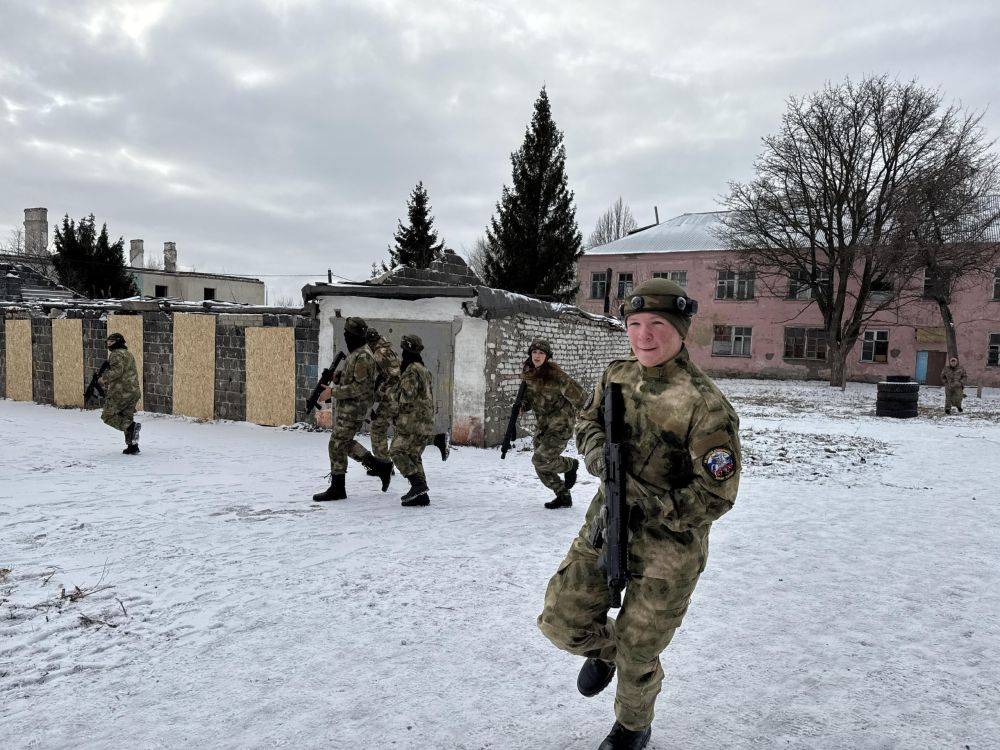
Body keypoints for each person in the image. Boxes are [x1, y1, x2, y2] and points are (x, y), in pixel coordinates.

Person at [537, 278, 741, 750]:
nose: (644, 336)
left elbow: (717, 495)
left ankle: (632, 727)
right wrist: (596, 458)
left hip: (670, 549)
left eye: (657, 325)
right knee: (560, 621)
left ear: (681, 330)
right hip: (606, 525)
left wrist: (645, 499)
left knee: (641, 647)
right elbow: (587, 421)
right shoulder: (616, 377)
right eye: (634, 325)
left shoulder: (706, 406)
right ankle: (611, 653)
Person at [312, 317, 394, 502]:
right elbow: (355, 378)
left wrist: (332, 392)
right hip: (350, 408)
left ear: (354, 336)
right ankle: (380, 467)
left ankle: (338, 489)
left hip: (354, 409)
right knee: (343, 443)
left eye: (348, 335)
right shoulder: (357, 353)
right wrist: (338, 376)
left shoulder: (363, 356)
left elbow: (360, 388)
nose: (346, 337)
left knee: (336, 444)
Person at [519, 339, 586, 509]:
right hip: (543, 426)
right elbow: (529, 399)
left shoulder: (557, 376)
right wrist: (521, 407)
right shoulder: (529, 375)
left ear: (547, 357)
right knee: (540, 465)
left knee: (540, 459)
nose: (537, 356)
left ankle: (571, 465)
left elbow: (580, 397)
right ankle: (563, 495)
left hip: (561, 425)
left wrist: (588, 416)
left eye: (541, 353)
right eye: (534, 352)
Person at [389, 334, 437, 507]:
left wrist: (390, 392)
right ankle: (421, 496)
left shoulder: (410, 370)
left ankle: (418, 484)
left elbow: (407, 396)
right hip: (425, 421)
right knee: (413, 455)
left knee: (396, 451)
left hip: (412, 421)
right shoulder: (423, 369)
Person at [100, 332, 142, 455]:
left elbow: (117, 371)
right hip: (133, 391)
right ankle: (132, 446)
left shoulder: (116, 354)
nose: (109, 344)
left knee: (107, 416)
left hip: (121, 392)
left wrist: (103, 379)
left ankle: (130, 427)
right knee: (126, 416)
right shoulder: (128, 354)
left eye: (111, 342)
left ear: (118, 342)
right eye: (107, 342)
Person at [366, 327, 401, 468]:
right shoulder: (388, 350)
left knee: (377, 429)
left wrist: (375, 401)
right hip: (399, 396)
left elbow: (391, 378)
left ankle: (384, 466)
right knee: (403, 430)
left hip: (390, 398)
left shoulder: (378, 354)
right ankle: (437, 439)